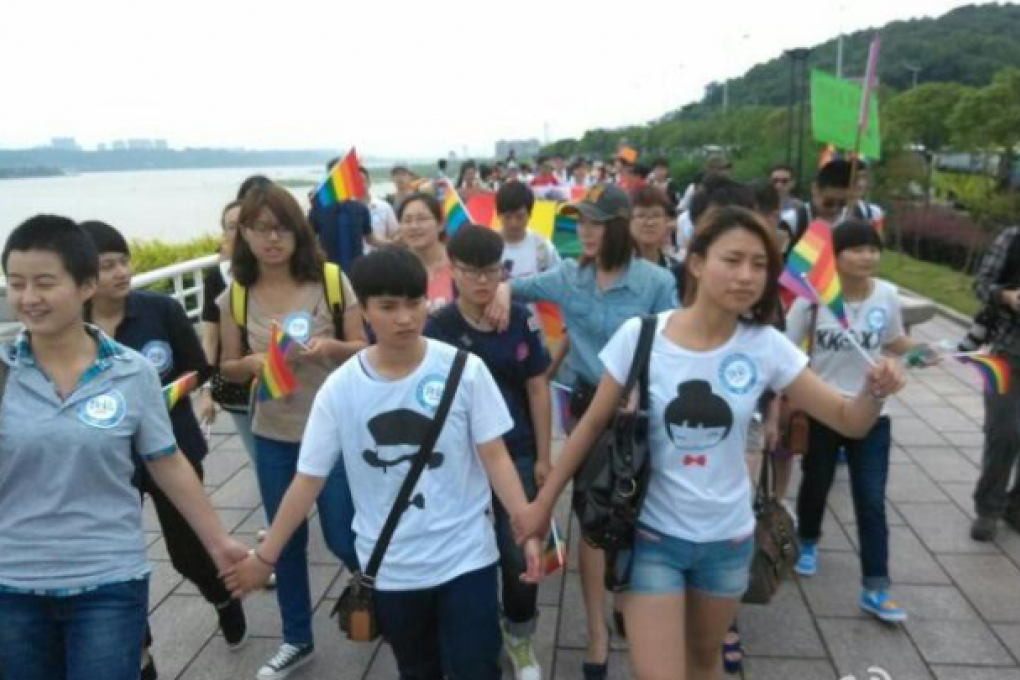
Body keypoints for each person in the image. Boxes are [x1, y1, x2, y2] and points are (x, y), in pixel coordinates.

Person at [514, 206, 906, 680]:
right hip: (653, 538)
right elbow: (591, 426)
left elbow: (850, 420)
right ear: (696, 262)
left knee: (704, 664)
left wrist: (874, 391)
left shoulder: (765, 345)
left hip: (729, 541)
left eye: (759, 265)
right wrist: (543, 503)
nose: (746, 276)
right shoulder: (642, 336)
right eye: (733, 260)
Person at [225, 246, 543, 680]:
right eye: (388, 307)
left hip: (467, 555)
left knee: (476, 666)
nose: (405, 318)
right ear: (366, 310)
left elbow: (494, 455)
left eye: (414, 303)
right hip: (391, 565)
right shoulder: (341, 389)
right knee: (417, 668)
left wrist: (525, 522)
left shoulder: (465, 370)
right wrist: (266, 556)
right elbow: (307, 480)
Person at [0, 215, 248, 680]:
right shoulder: (4, 374)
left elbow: (166, 460)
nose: (28, 298)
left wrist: (217, 543)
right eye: (16, 284)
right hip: (12, 583)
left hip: (108, 580)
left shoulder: (130, 371)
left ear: (85, 284)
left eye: (45, 283)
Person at [487, 184, 676, 680]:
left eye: (594, 223)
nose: (584, 232)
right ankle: (595, 632)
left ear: (619, 225)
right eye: (579, 223)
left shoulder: (656, 282)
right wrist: (504, 290)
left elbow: (677, 342)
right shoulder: (569, 277)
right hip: (588, 409)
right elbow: (517, 284)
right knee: (592, 521)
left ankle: (628, 598)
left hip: (643, 411)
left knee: (639, 513)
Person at [80, 220, 249, 679]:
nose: (119, 273)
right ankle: (142, 647)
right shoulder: (73, 329)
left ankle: (223, 598)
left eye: (122, 262)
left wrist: (159, 396)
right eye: (105, 266)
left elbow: (200, 369)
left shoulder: (161, 310)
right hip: (108, 460)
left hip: (171, 446)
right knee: (117, 555)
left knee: (186, 550)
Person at [218, 184, 367, 679]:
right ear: (244, 234)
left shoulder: (328, 279)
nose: (272, 238)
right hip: (274, 433)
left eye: (281, 226)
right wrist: (255, 363)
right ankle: (296, 639)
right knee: (287, 542)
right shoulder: (236, 294)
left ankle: (387, 593)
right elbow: (227, 367)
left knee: (346, 535)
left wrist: (327, 348)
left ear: (297, 230)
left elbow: (364, 347)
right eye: (260, 228)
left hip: (334, 431)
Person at [425, 226, 551, 680]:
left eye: (491, 271)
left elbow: (538, 386)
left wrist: (543, 456)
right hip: (459, 461)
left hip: (515, 452)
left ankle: (519, 637)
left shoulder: (520, 317)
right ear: (452, 271)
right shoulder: (437, 327)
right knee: (465, 554)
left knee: (520, 553)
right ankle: (471, 631)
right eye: (471, 272)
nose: (481, 281)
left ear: (502, 271)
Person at [787, 219, 920, 622]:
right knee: (817, 481)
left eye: (873, 248)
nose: (868, 257)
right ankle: (807, 540)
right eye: (857, 249)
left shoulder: (887, 295)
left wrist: (921, 352)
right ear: (835, 257)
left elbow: (894, 340)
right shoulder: (810, 300)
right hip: (824, 410)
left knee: (870, 498)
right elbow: (785, 350)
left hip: (873, 413)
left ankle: (876, 588)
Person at [969, 223, 1020, 541]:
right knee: (1004, 432)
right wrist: (1006, 295)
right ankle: (988, 508)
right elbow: (981, 284)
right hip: (1007, 350)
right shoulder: (1012, 237)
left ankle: (1016, 507)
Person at [308, 158, 374, 271]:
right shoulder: (318, 208)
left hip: (357, 271)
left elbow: (371, 239)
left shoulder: (360, 208)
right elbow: (308, 239)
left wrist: (394, 243)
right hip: (329, 271)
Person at [779, 159, 855, 253]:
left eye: (842, 204)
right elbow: (778, 263)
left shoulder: (851, 220)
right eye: (828, 203)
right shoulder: (792, 222)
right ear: (815, 189)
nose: (835, 209)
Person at [396, 192, 456, 311]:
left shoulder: (461, 263)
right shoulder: (393, 268)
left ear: (441, 224)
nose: (414, 226)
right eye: (407, 221)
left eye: (422, 219)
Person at [497, 181, 561, 282]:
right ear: (499, 215)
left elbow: (559, 281)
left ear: (530, 214)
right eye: (508, 217)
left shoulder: (543, 246)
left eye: (519, 217)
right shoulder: (487, 247)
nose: (514, 223)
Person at [630, 185, 683, 296]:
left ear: (667, 222)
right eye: (641, 216)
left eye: (656, 215)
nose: (649, 223)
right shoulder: (616, 269)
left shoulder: (677, 271)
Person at [358, 166, 399, 252]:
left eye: (362, 181)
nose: (359, 185)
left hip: (380, 260)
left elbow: (394, 234)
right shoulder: (345, 211)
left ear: (369, 182)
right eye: (354, 182)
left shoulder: (384, 207)